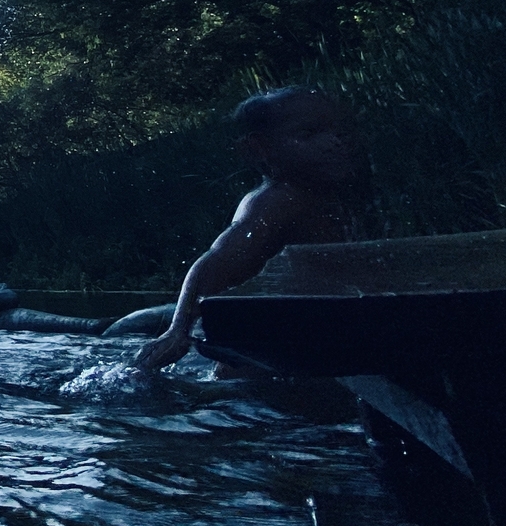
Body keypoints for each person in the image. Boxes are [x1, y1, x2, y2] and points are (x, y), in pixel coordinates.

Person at [134, 86, 368, 370]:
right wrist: (178, 331)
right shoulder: (278, 201)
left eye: (339, 133)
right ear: (259, 149)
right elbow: (215, 262)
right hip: (266, 356)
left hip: (300, 341)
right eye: (307, 135)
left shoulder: (330, 195)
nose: (334, 143)